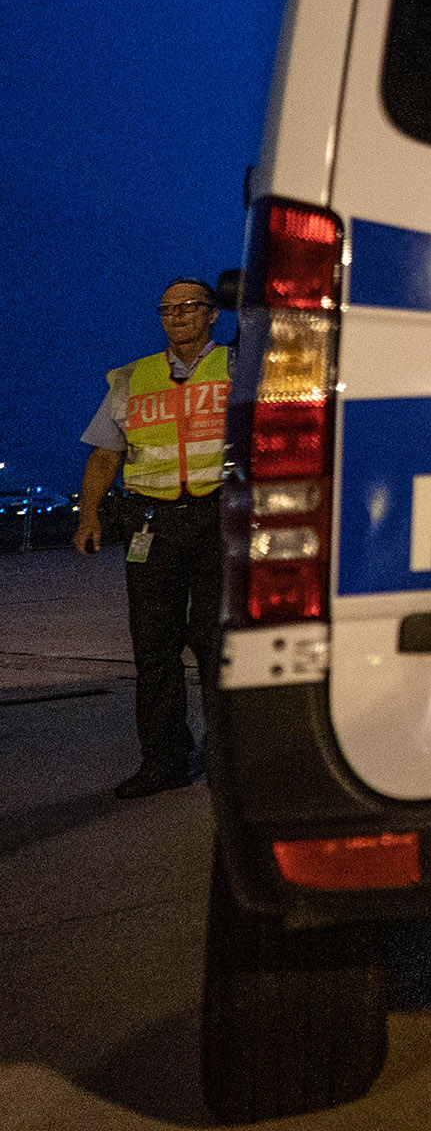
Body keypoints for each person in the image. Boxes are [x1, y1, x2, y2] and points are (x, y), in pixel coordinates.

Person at [76, 277, 232, 798]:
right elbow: (104, 454)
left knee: (217, 644)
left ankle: (229, 756)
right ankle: (164, 761)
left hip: (219, 518)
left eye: (189, 307)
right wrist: (89, 516)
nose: (178, 315)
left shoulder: (238, 366)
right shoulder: (131, 378)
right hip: (152, 525)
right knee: (154, 649)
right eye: (168, 309)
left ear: (213, 314)